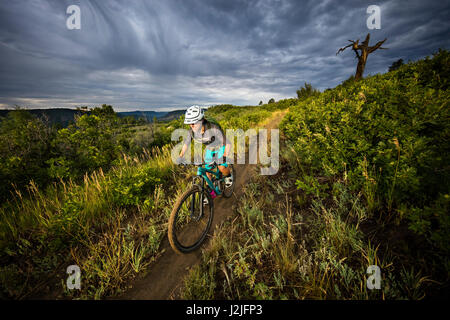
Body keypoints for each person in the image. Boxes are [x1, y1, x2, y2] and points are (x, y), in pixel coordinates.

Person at [178, 105, 233, 190]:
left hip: (221, 146)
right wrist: (180, 156)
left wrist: (224, 156)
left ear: (201, 120)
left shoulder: (213, 128)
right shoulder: (192, 132)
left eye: (194, 123)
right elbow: (186, 144)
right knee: (207, 171)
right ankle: (208, 193)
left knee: (221, 167)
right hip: (209, 148)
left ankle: (228, 176)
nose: (192, 126)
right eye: (190, 123)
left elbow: (228, 143)